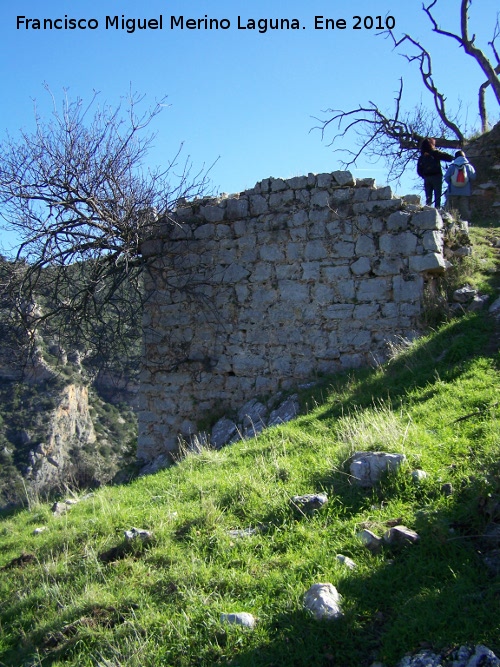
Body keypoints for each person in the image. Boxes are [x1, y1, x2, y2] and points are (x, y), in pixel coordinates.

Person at [417, 138, 454, 208]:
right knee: (438, 196)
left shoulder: (421, 158)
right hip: (437, 176)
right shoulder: (435, 153)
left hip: (427, 178)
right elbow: (448, 158)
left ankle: (428, 210)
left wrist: (424, 176)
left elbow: (419, 171)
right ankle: (437, 210)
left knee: (428, 197)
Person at [444, 150, 476, 220]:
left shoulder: (452, 166)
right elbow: (473, 177)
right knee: (464, 208)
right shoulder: (469, 166)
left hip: (452, 192)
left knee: (451, 209)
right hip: (465, 192)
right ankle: (466, 223)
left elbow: (446, 178)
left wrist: (451, 183)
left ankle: (451, 222)